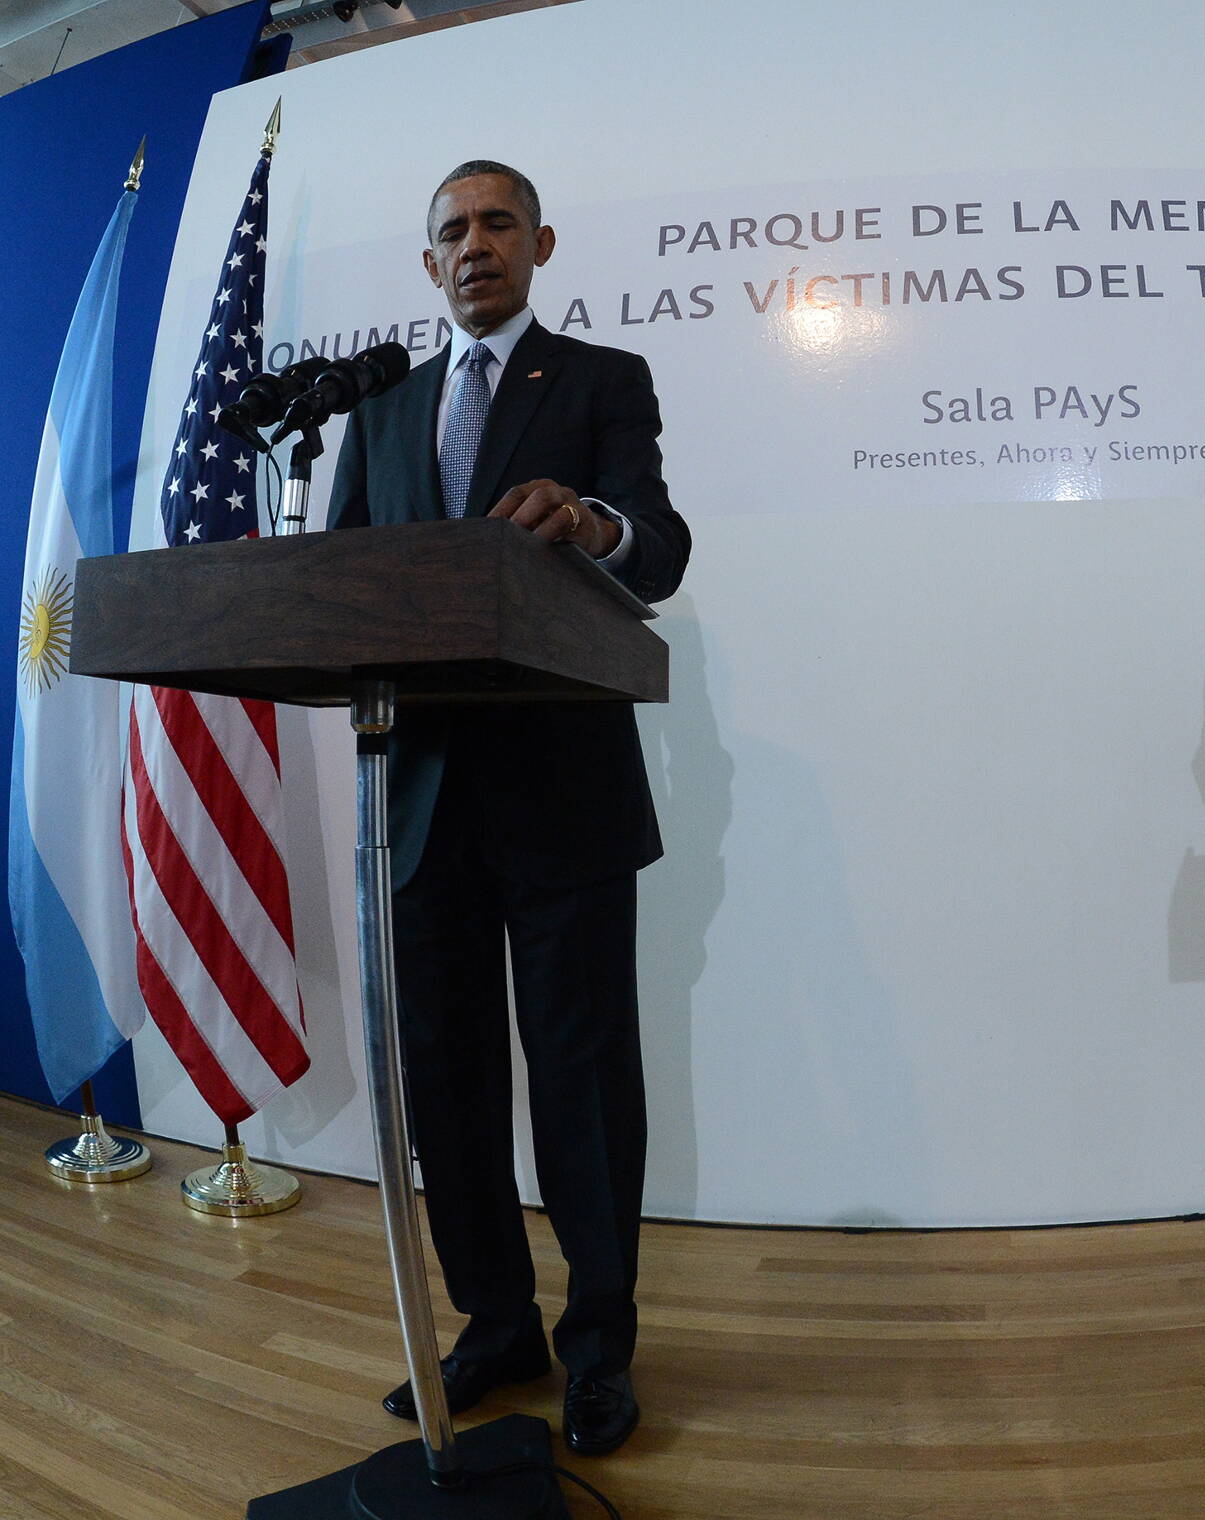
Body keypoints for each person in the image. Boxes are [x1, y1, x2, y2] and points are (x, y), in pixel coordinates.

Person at [328, 159, 690, 1455]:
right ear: (429, 267)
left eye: (495, 223)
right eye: (451, 232)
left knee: (584, 1087)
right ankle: (495, 1323)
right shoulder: (381, 412)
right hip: (416, 806)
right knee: (449, 1084)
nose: (474, 245)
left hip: (564, 801)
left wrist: (592, 524)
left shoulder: (600, 381)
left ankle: (600, 1347)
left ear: (539, 242)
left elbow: (661, 540)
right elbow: (344, 585)